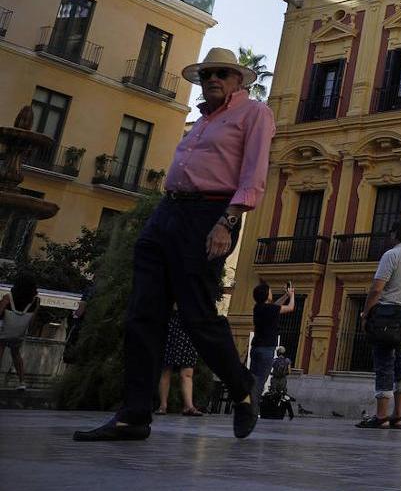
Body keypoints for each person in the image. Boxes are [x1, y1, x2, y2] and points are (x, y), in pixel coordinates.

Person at [74, 48, 276, 442]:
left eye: (221, 73)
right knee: (141, 314)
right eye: (206, 74)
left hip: (210, 214)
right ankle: (133, 414)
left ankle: (240, 386)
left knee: (197, 314)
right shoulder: (200, 121)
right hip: (167, 212)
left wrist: (227, 222)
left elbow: (253, 173)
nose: (212, 79)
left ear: (238, 80)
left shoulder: (254, 113)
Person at [356, 218, 401, 430]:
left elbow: (377, 288)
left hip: (386, 315)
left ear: (395, 234)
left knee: (384, 364)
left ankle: (381, 417)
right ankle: (399, 416)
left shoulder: (392, 255)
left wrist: (366, 313)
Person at [250, 281, 296, 402]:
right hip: (267, 349)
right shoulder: (270, 309)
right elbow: (290, 308)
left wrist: (285, 296)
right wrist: (292, 296)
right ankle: (252, 406)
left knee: (253, 378)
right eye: (269, 291)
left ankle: (247, 403)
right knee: (261, 380)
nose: (271, 293)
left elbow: (275, 306)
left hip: (255, 348)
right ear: (266, 295)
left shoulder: (258, 308)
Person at [156, 311, 202, 416]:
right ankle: (163, 405)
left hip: (190, 324)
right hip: (171, 321)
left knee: (187, 371)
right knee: (166, 368)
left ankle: (189, 406)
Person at [0, 275, 40, 390]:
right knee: (16, 354)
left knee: (0, 348)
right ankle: (22, 382)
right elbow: (32, 320)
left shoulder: (8, 297)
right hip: (18, 333)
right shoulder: (36, 301)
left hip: (4, 331)